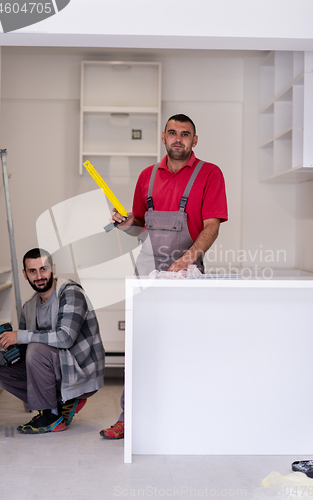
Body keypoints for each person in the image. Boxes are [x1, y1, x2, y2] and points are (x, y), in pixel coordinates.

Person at [99, 113, 228, 440]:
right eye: (173, 132)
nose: (178, 139)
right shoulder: (147, 177)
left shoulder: (210, 174)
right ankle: (129, 419)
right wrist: (126, 225)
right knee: (140, 346)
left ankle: (185, 422)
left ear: (194, 140)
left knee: (187, 348)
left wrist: (184, 261)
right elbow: (142, 228)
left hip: (187, 273)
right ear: (163, 137)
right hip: (146, 271)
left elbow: (211, 226)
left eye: (185, 134)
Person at [0, 248, 105, 434]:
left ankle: (50, 416)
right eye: (32, 271)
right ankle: (61, 405)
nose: (39, 276)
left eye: (43, 269)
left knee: (36, 349)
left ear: (53, 269)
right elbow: (23, 351)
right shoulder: (29, 307)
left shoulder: (71, 293)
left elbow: (65, 337)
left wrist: (18, 335)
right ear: (25, 274)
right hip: (57, 370)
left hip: (80, 370)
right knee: (2, 374)